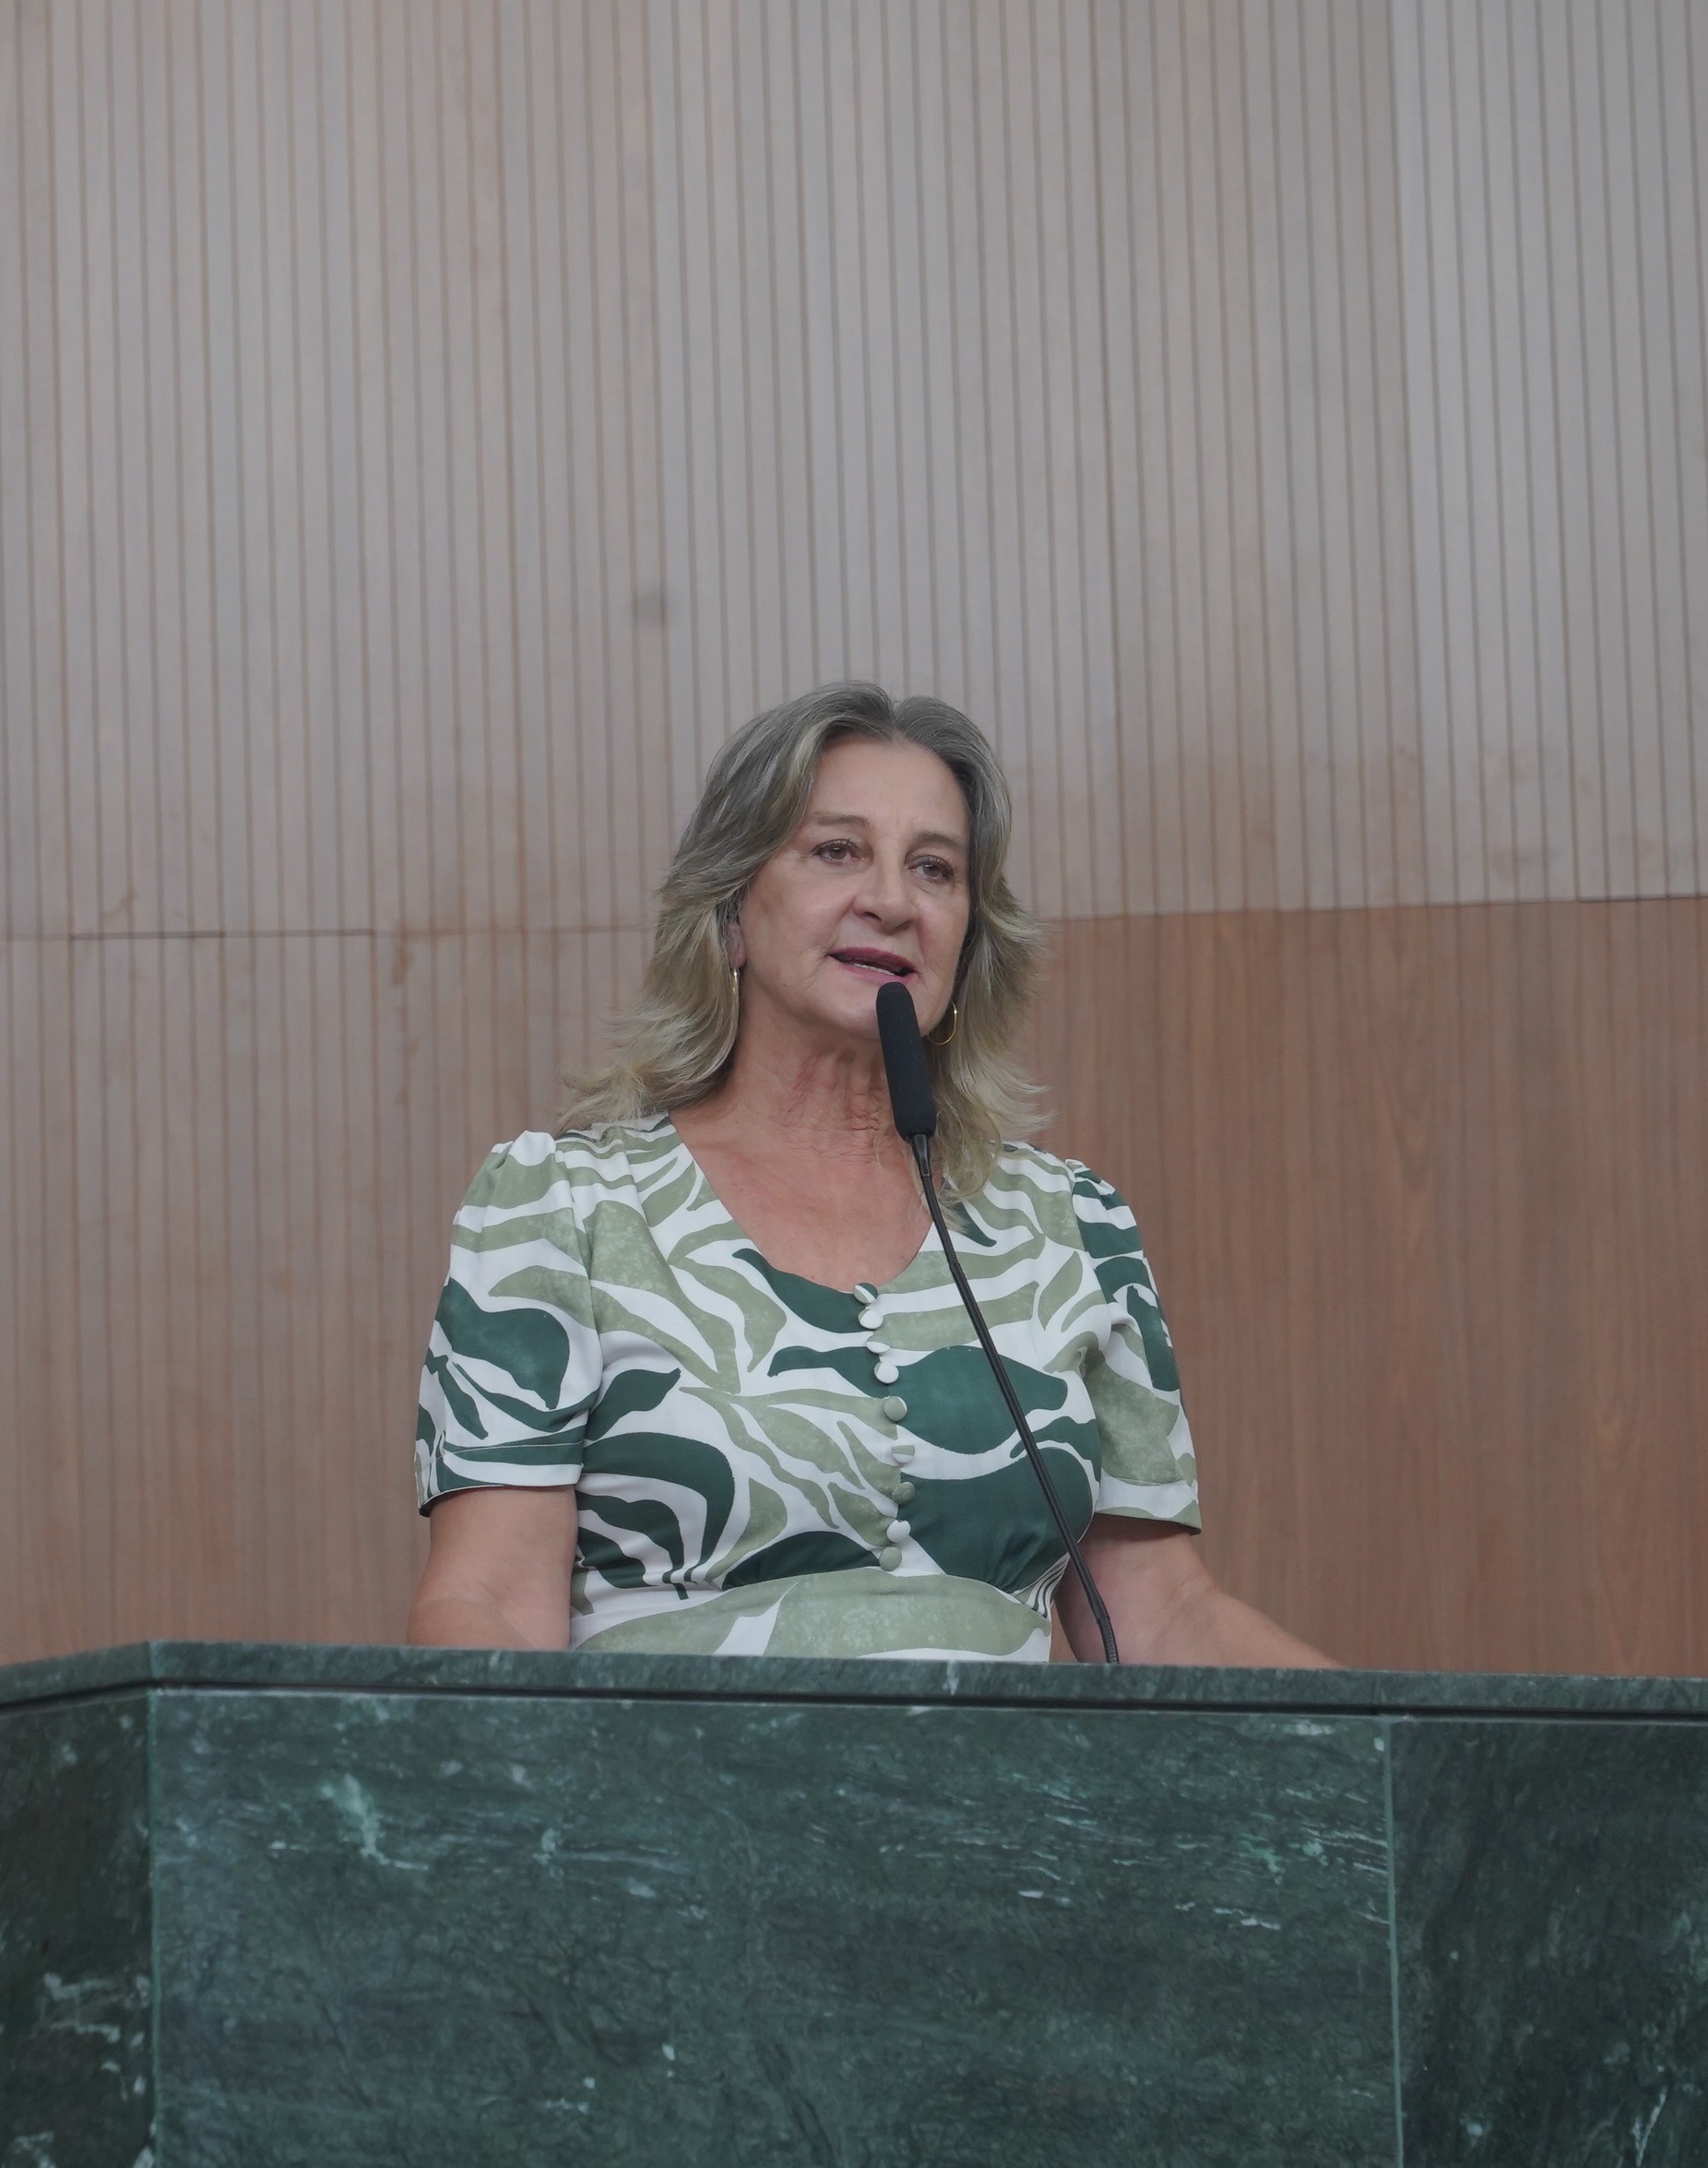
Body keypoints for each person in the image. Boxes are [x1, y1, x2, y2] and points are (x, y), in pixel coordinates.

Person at [407, 682, 1332, 1667]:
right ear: (730, 915)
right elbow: (488, 1605)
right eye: (836, 851)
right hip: (667, 1769)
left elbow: (1164, 1615)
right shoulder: (567, 1209)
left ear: (968, 939)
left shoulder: (1072, 1227)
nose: (892, 901)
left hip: (1013, 1774)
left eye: (934, 868)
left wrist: (1403, 1736)